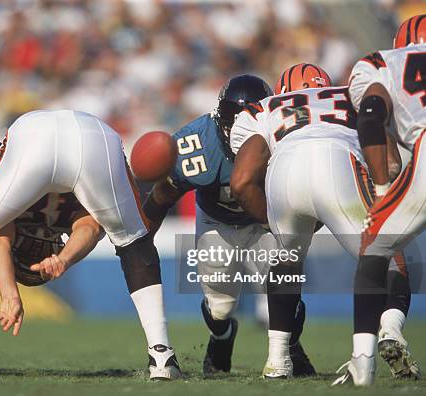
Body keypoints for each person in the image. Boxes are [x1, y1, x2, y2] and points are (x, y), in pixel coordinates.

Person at [0, 109, 181, 380]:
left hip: (41, 137)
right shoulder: (36, 229)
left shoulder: (10, 226)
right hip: (88, 135)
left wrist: (9, 294)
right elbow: (90, 226)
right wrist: (63, 260)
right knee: (133, 242)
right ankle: (161, 352)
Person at [230, 63, 415, 380]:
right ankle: (391, 328)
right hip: (337, 159)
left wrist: (270, 223)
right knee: (387, 256)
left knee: (286, 261)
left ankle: (277, 358)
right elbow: (392, 162)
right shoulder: (352, 95)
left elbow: (242, 182)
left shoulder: (262, 108)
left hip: (284, 173)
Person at [143, 75, 314, 376]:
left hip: (264, 222)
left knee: (285, 291)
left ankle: (289, 347)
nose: (239, 133)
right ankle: (221, 337)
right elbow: (163, 195)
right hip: (216, 222)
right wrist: (142, 240)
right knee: (220, 306)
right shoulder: (197, 144)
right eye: (233, 124)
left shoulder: (287, 137)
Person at [337, 14, 426, 386]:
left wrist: (381, 189)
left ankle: (364, 361)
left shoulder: (384, 63)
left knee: (375, 245)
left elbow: (371, 116)